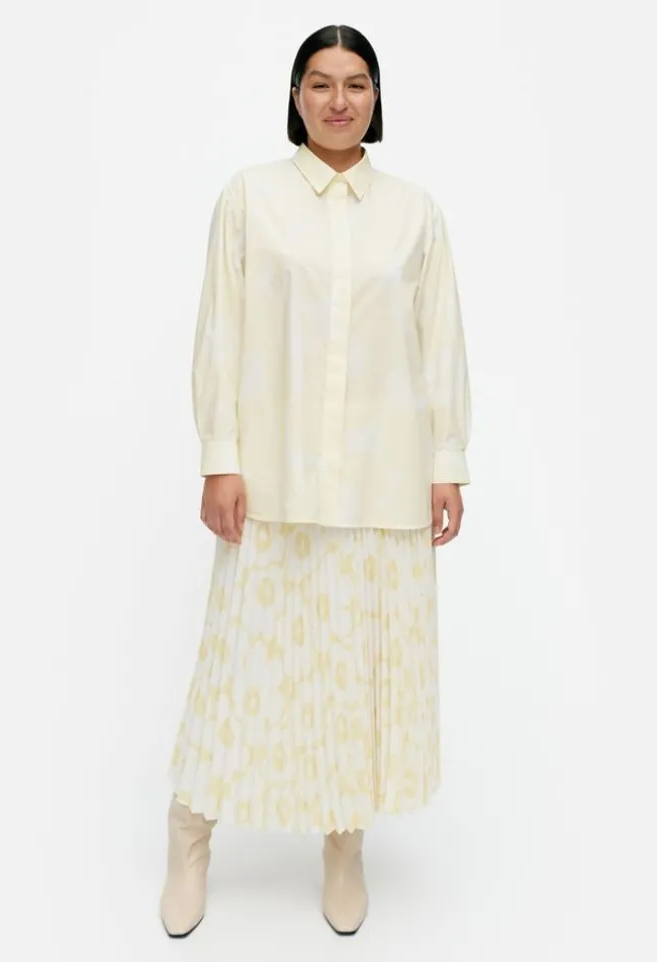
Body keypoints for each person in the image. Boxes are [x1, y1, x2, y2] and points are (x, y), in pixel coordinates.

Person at [159, 22, 472, 939]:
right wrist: (220, 455)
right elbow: (220, 330)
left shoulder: (414, 213)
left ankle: (343, 843)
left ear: (376, 98)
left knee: (355, 675)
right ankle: (189, 833)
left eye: (356, 83)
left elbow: (440, 342)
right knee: (240, 663)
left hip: (383, 482)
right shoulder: (250, 199)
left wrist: (446, 461)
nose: (339, 100)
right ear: (294, 96)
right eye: (321, 83)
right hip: (274, 479)